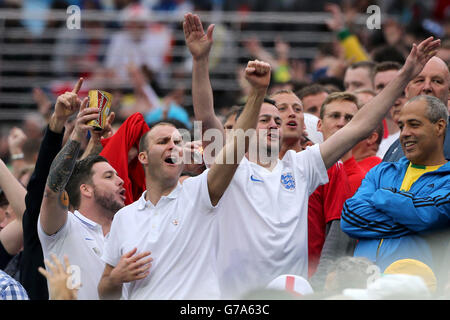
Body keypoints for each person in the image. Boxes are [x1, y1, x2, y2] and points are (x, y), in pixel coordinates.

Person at [184, 12, 441, 298]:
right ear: (244, 129)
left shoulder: (300, 166)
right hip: (239, 299)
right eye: (264, 118)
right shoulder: (229, 170)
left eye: (277, 120)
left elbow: (359, 125)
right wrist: (200, 61)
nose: (273, 124)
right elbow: (206, 116)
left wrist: (406, 75)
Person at [97, 57, 273, 299]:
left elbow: (234, 150)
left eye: (178, 142)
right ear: (144, 158)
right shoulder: (124, 218)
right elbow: (104, 292)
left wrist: (257, 93)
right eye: (163, 141)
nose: (173, 146)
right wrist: (117, 277)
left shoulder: (200, 192)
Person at [341, 95, 450, 285]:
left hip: (417, 291)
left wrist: (382, 195)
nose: (404, 133)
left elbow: (430, 214)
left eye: (414, 125)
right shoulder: (382, 171)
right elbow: (350, 217)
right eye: (401, 126)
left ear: (439, 127)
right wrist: (414, 225)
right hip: (362, 288)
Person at [38, 79, 126, 300]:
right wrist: (77, 133)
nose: (121, 181)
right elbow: (53, 189)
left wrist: (96, 145)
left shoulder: (128, 231)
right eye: (109, 176)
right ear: (85, 189)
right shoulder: (64, 227)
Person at [20, 80, 83, 300]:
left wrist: (92, 141)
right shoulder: (41, 208)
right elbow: (47, 177)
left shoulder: (86, 218)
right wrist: (58, 122)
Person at [383, 56, 450, 162]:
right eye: (419, 80)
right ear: (406, 90)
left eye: (436, 81)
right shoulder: (394, 149)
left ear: (449, 91)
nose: (427, 87)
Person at [372, 61, 406, 158]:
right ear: (373, 91)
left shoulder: (412, 135)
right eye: (381, 87)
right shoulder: (365, 136)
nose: (388, 91)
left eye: (393, 84)